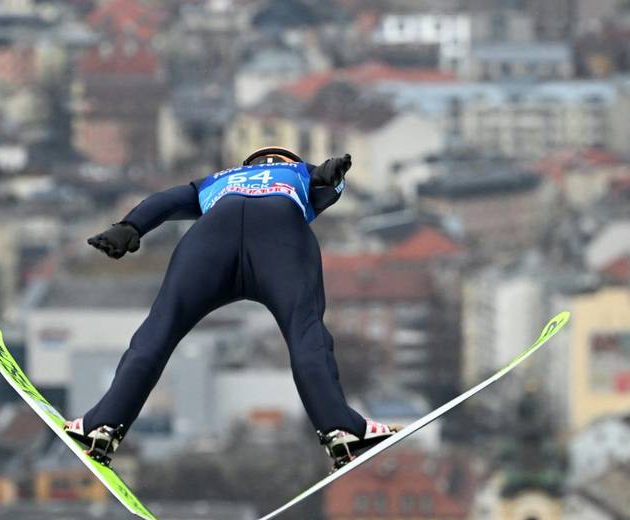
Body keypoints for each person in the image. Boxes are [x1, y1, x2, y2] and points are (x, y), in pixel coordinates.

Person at [65, 146, 400, 471]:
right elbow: (328, 184)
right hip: (280, 237)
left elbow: (165, 201)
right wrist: (329, 174)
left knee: (159, 329)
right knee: (305, 333)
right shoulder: (298, 172)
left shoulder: (219, 180)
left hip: (210, 241)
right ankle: (340, 430)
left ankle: (102, 426)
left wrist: (129, 226)